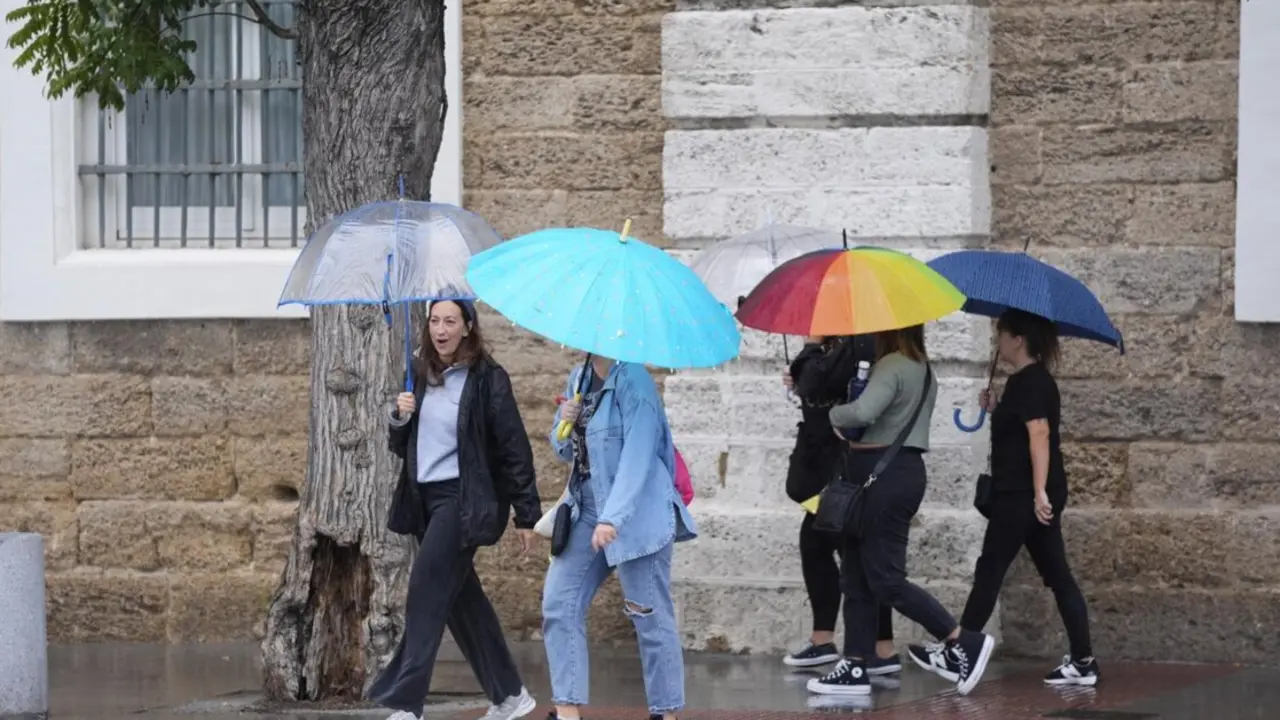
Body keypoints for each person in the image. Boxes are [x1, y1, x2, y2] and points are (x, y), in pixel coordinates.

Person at [369, 299, 542, 720]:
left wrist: (527, 514)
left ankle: (408, 703)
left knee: (426, 591)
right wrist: (399, 417)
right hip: (424, 500)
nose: (440, 329)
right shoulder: (420, 373)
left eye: (449, 321)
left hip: (463, 501)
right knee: (464, 604)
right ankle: (510, 695)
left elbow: (513, 447)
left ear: (467, 327)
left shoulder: (488, 379)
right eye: (433, 321)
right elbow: (402, 446)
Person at [907, 309, 1098, 686]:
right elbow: (1024, 427)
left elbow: (1039, 434)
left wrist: (1039, 490)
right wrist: (997, 408)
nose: (998, 343)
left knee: (990, 569)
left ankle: (959, 650)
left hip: (1021, 496)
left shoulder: (1028, 382)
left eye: (1001, 336)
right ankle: (1083, 660)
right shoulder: (1032, 382)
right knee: (1058, 577)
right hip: (1031, 497)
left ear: (1018, 340)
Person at [806, 325, 995, 698]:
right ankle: (855, 664)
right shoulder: (923, 367)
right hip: (892, 473)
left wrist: (832, 414)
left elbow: (864, 411)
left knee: (886, 579)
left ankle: (961, 641)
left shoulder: (892, 365)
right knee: (856, 576)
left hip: (883, 476)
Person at [541, 355, 698, 720]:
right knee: (558, 604)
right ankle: (567, 712)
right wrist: (563, 423)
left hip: (637, 509)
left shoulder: (635, 381)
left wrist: (613, 517)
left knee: (648, 613)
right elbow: (564, 450)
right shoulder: (578, 377)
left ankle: (666, 713)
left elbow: (638, 456)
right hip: (587, 508)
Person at [781, 335, 900, 675]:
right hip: (828, 468)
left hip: (842, 467)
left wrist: (809, 350)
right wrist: (801, 370)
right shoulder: (840, 347)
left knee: (854, 553)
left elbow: (819, 381)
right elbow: (815, 384)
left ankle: (877, 648)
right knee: (822, 545)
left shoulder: (859, 343)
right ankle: (843, 643)